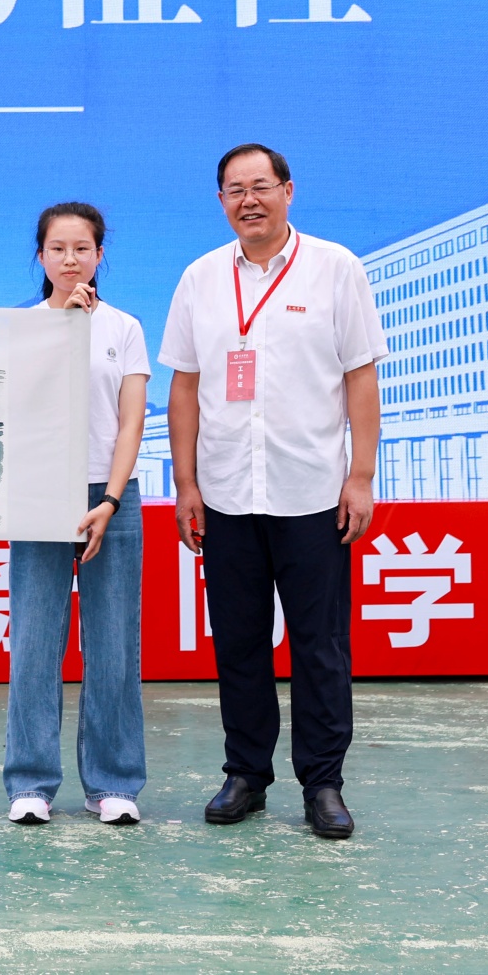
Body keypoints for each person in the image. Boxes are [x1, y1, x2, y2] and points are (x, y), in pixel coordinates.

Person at [159, 144, 386, 840]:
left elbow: (360, 375)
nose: (248, 200)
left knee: (320, 645)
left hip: (312, 491)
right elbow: (185, 386)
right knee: (239, 643)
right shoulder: (200, 278)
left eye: (261, 186)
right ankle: (246, 774)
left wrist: (360, 475)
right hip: (227, 491)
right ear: (221, 202)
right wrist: (187, 482)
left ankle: (324, 783)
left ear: (288, 191)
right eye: (235, 190)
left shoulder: (335, 268)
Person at [3, 202, 151, 827]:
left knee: (114, 643)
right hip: (40, 490)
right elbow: (19, 402)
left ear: (99, 256)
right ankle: (30, 783)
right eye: (58, 249)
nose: (70, 260)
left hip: (110, 493)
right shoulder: (22, 327)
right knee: (35, 640)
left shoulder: (124, 327)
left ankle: (113, 783)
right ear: (40, 256)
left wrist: (110, 500)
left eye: (82, 249)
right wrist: (64, 326)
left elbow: (130, 421)